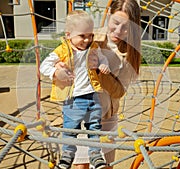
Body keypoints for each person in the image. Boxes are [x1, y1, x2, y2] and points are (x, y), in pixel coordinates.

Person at [55, 0, 141, 168]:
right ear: (108, 16)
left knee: (104, 166)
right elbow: (63, 55)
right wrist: (59, 67)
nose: (118, 31)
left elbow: (119, 92)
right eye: (115, 23)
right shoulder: (88, 36)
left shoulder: (130, 53)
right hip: (79, 114)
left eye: (125, 27)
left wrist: (100, 73)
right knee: (80, 165)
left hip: (105, 118)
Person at [40, 10, 110, 169]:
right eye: (82, 36)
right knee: (70, 129)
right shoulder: (62, 50)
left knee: (95, 127)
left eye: (90, 35)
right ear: (68, 35)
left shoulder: (94, 47)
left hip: (92, 95)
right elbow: (43, 66)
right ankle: (67, 155)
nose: (87, 39)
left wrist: (103, 64)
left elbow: (102, 58)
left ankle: (95, 154)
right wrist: (56, 72)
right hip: (73, 99)